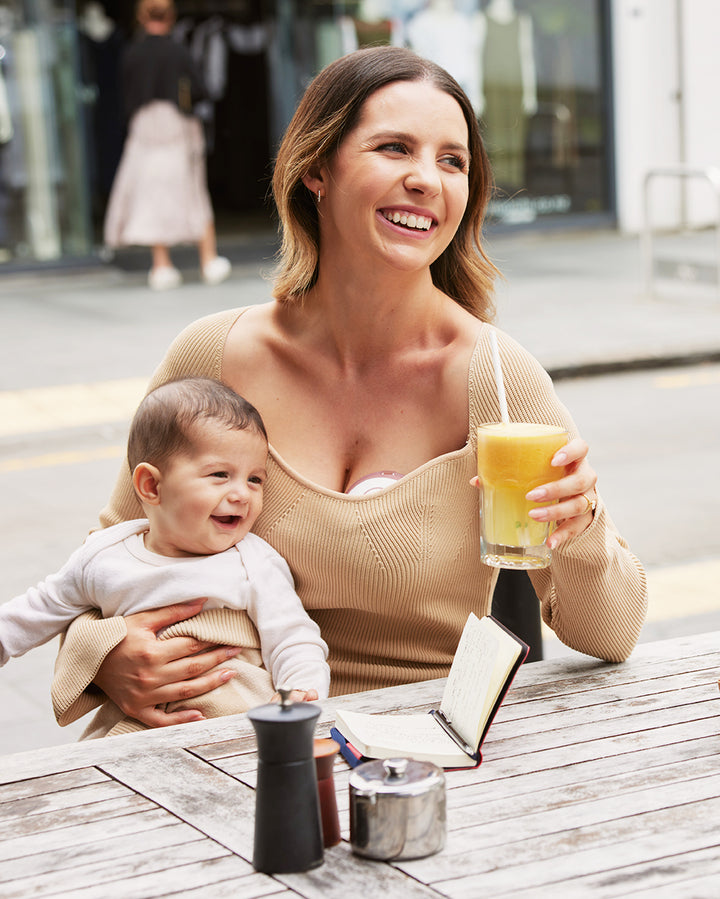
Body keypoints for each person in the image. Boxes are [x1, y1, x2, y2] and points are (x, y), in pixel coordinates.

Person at [53, 46, 647, 736]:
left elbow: (614, 633)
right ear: (316, 169)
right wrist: (104, 655)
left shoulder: (494, 377)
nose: (427, 179)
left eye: (452, 160)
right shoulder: (211, 355)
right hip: (190, 740)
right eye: (395, 148)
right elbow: (97, 568)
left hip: (395, 759)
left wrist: (581, 527)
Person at [1, 378, 329, 737]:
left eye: (255, 479)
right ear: (152, 486)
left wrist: (300, 697)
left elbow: (292, 638)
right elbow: (39, 608)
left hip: (234, 721)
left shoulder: (252, 561)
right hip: (135, 726)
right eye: (220, 475)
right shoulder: (106, 555)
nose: (242, 494)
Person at [103, 0, 231, 290]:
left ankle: (162, 266)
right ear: (170, 17)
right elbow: (200, 89)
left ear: (140, 17)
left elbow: (123, 96)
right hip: (176, 126)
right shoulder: (178, 51)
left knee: (151, 192)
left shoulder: (131, 53)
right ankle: (208, 260)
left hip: (143, 126)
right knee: (192, 189)